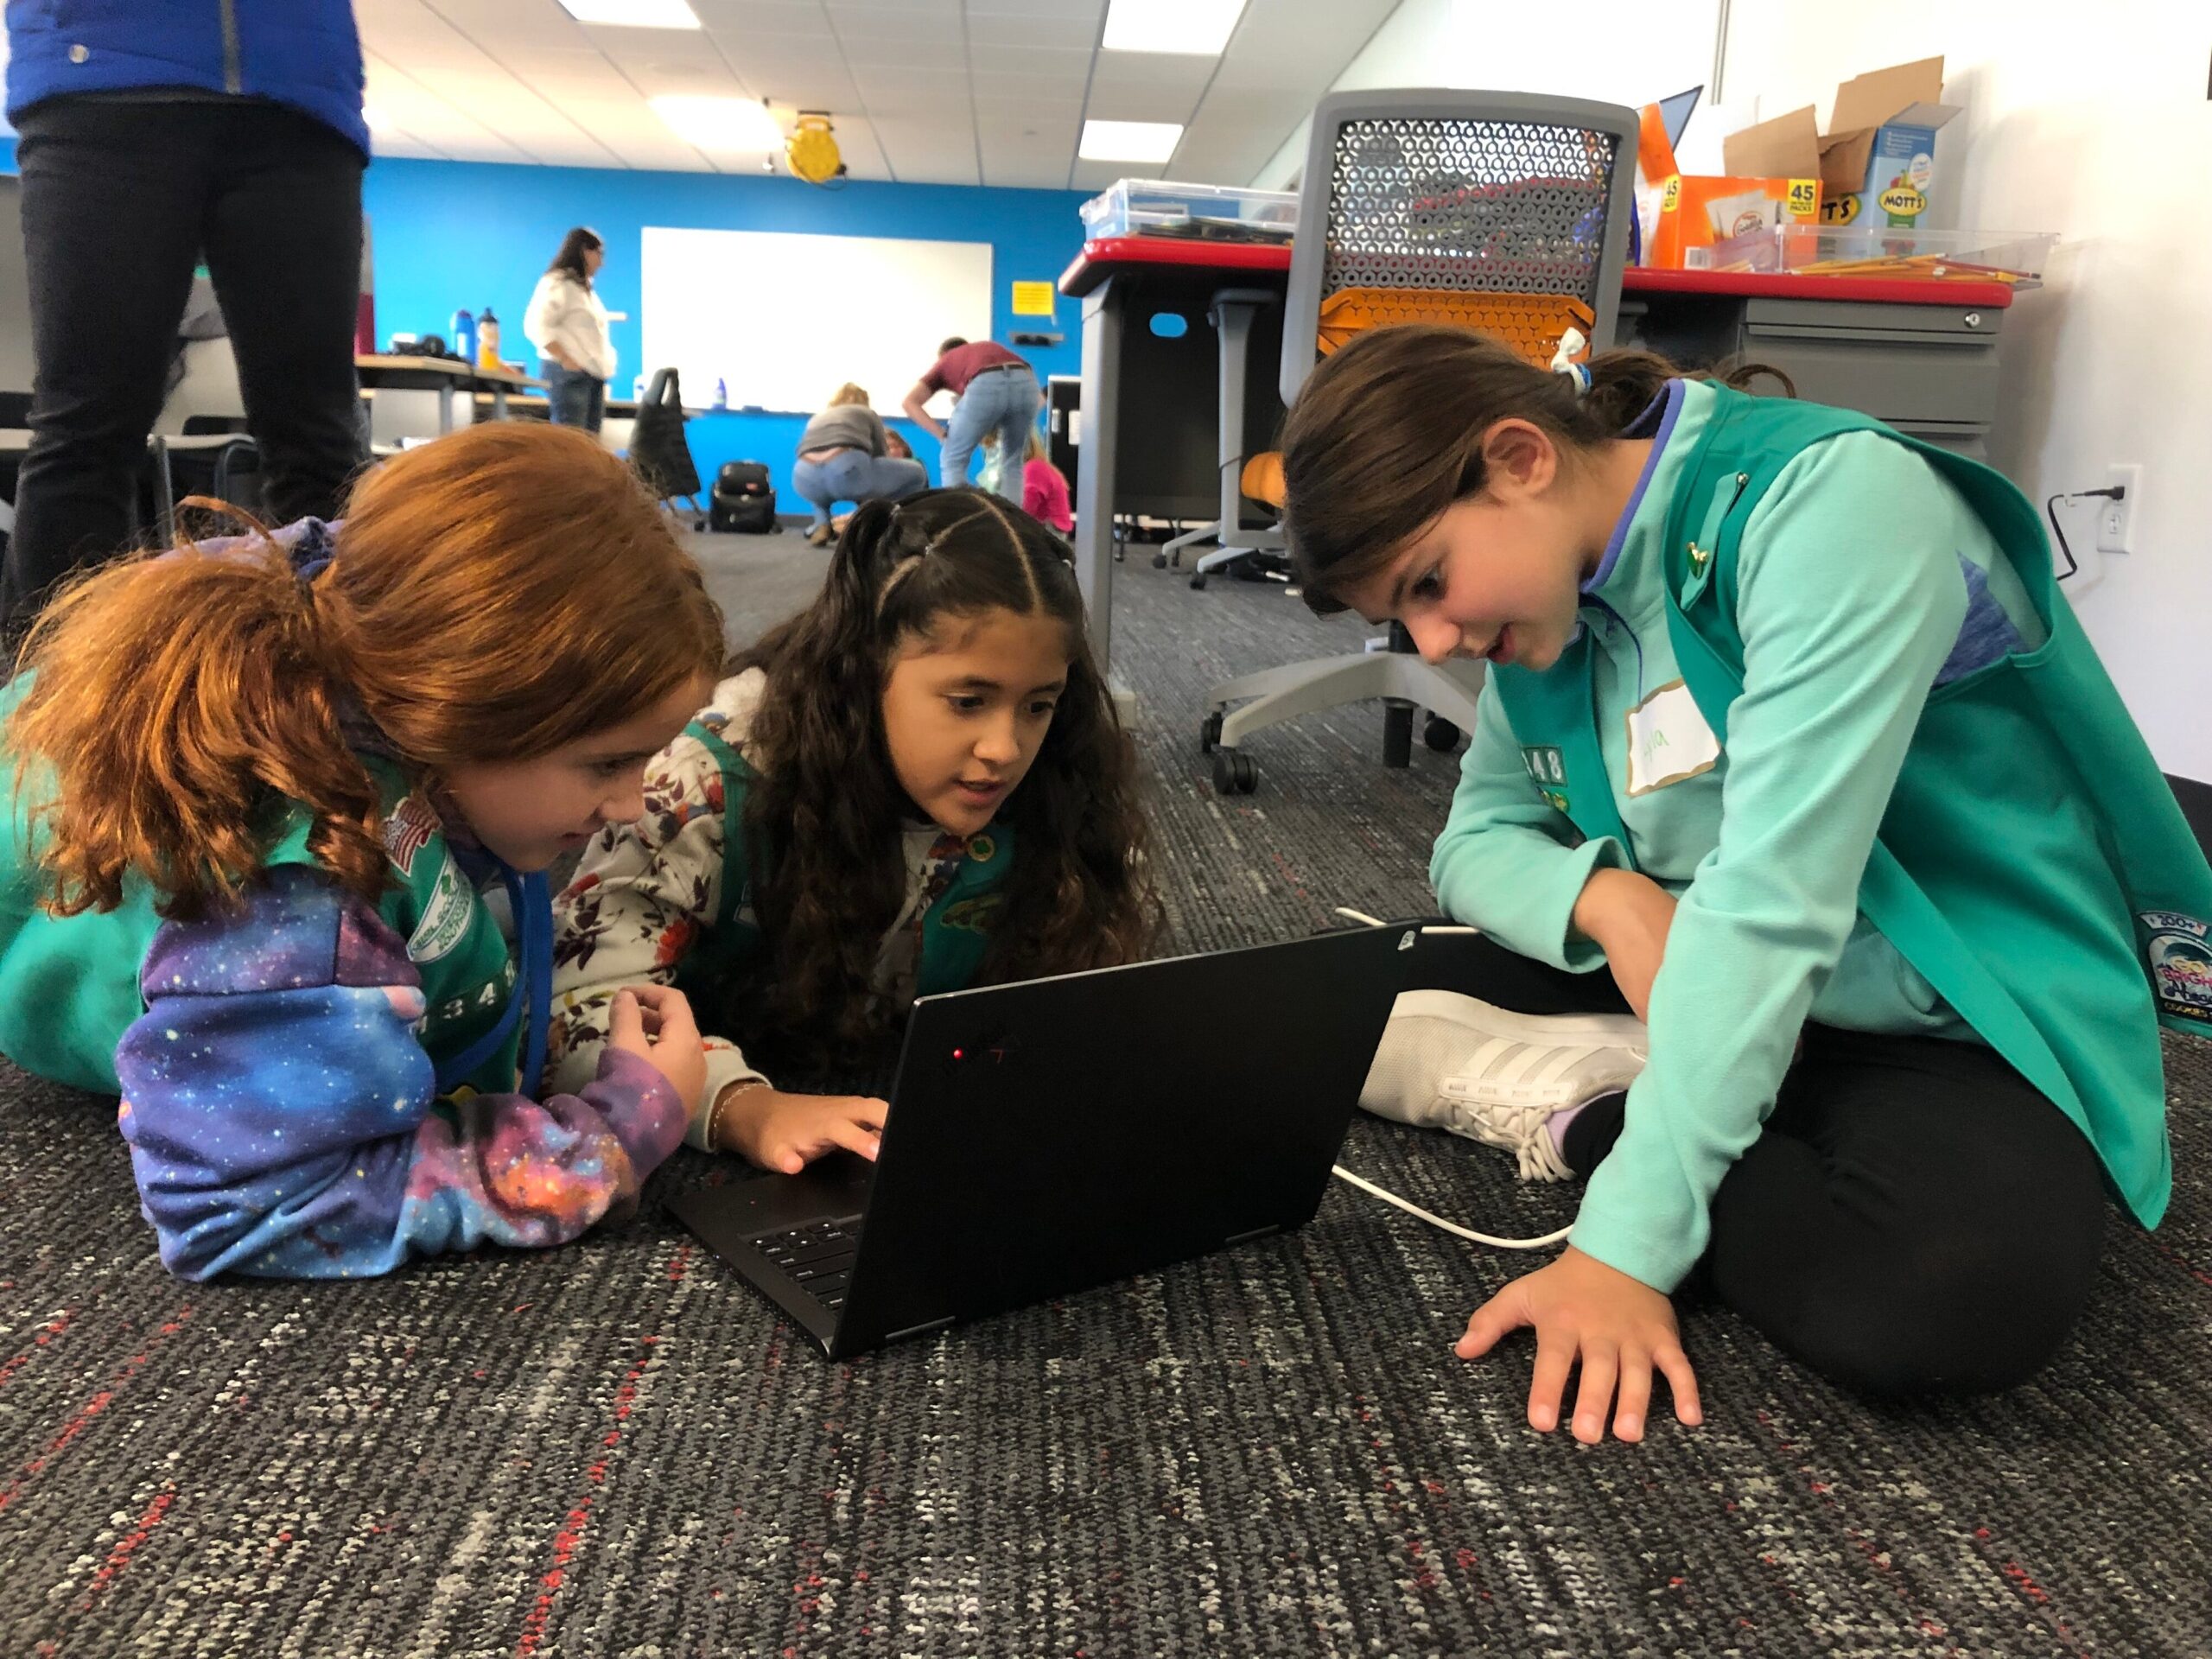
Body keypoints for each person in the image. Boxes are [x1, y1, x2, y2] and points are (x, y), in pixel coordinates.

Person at [1280, 322, 2212, 1442]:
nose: (1433, 642)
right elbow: (1472, 842)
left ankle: (1587, 1121)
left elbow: (1772, 911)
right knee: (1311, 1012)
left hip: (1944, 1009)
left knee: (1952, 1298)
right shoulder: (1545, 600)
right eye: (1404, 611)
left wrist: (1620, 1248)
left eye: (1431, 582)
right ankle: (1680, 1087)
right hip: (1696, 960)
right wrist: (1608, 903)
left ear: (1522, 458)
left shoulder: (1831, 504)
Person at [0, 423, 728, 1280]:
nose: (632, 808)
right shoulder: (291, 896)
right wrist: (616, 1131)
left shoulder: (369, 630)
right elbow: (262, 1204)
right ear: (450, 708)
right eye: (606, 762)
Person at [550, 488, 1158, 1173]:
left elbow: (1087, 977)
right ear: (865, 672)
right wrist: (742, 1108)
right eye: (968, 702)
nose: (1005, 748)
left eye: (1039, 704)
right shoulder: (704, 786)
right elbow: (580, 1006)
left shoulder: (1056, 781)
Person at [1, 0, 372, 643]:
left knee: (320, 438)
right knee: (88, 429)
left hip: (298, 96)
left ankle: (345, 706)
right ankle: (42, 715)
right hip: (103, 83)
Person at [901, 337, 1041, 501]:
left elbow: (909, 403)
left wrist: (942, 435)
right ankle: (1012, 519)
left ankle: (959, 514)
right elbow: (1018, 382)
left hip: (986, 382)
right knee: (1012, 461)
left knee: (952, 459)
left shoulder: (945, 361)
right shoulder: (987, 347)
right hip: (1027, 381)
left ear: (943, 355)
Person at [791, 383, 928, 548]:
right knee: (917, 472)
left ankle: (822, 524)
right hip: (846, 472)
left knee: (818, 478)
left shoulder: (817, 418)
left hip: (803, 478)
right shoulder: (867, 413)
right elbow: (880, 454)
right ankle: (900, 526)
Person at [524, 227, 617, 434]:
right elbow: (535, 325)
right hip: (570, 374)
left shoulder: (582, 289)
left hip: (590, 375)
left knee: (589, 444)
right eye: (599, 254)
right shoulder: (558, 284)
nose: (601, 263)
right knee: (573, 442)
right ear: (585, 251)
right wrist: (565, 358)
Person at [1019, 428, 1074, 536]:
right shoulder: (1041, 466)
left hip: (1048, 532)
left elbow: (1026, 508)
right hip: (1051, 530)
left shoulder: (1034, 468)